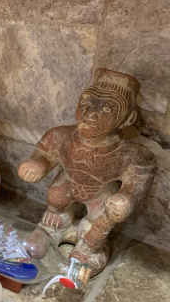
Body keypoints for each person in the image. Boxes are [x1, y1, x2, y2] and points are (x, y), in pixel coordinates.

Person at [18, 69, 156, 278]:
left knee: (103, 218)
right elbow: (45, 154)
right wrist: (38, 164)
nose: (91, 113)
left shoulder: (129, 154)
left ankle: (90, 245)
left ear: (128, 118)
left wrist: (126, 198)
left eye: (107, 108)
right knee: (56, 195)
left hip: (99, 196)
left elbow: (137, 183)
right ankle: (53, 223)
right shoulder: (61, 136)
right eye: (86, 103)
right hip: (68, 187)